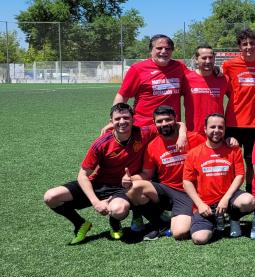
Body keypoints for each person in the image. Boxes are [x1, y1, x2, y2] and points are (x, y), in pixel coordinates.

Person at [43, 103, 157, 244]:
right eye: (117, 119)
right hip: (98, 184)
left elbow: (174, 125)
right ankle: (80, 223)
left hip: (122, 188)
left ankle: (115, 224)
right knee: (51, 197)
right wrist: (95, 202)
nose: (122, 122)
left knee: (119, 210)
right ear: (111, 122)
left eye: (126, 118)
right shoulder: (101, 143)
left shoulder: (144, 133)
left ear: (133, 119)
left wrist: (182, 133)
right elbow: (82, 175)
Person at [128, 106, 207, 240]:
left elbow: (214, 152)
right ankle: (160, 223)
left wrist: (229, 142)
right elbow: (146, 175)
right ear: (155, 123)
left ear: (175, 120)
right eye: (159, 121)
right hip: (166, 190)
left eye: (168, 120)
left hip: (189, 192)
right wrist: (129, 178)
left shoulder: (195, 138)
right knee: (133, 188)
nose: (164, 124)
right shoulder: (152, 146)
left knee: (179, 233)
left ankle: (189, 217)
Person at [182, 113, 255, 245]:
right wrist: (200, 204)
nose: (216, 131)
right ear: (205, 129)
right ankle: (214, 221)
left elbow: (240, 175)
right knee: (200, 239)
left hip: (228, 199)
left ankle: (234, 218)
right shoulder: (194, 153)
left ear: (225, 129)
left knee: (248, 201)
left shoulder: (234, 149)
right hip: (205, 203)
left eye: (220, 127)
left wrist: (226, 198)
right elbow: (187, 182)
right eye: (212, 127)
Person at [222, 29, 255, 189]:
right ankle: (227, 191)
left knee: (251, 160)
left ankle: (250, 189)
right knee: (229, 160)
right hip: (233, 122)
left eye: (252, 43)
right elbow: (225, 88)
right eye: (244, 44)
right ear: (239, 47)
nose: (248, 47)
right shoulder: (229, 65)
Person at [114, 34, 187, 126]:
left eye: (167, 48)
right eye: (159, 48)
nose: (164, 51)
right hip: (144, 126)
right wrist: (114, 120)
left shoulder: (180, 67)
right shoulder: (138, 69)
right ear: (151, 50)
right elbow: (122, 96)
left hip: (170, 126)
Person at [183, 45, 227, 135]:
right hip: (193, 132)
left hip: (216, 132)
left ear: (214, 58)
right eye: (204, 58)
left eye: (210, 57)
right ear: (196, 59)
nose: (208, 61)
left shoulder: (224, 79)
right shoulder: (186, 79)